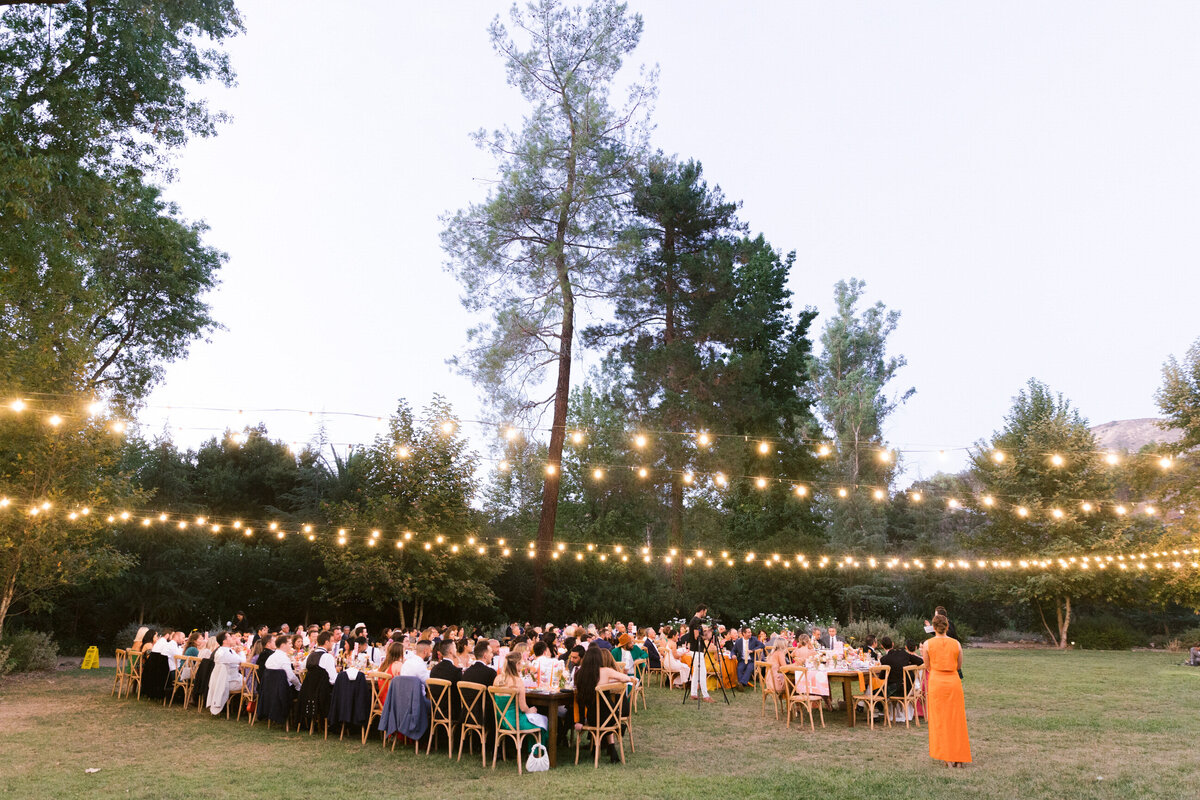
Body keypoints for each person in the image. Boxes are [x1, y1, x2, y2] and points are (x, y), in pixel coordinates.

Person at [923, 614, 971, 767]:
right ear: (947, 627)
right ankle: (959, 757)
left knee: (940, 720)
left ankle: (947, 757)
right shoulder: (956, 644)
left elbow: (927, 665)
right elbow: (958, 666)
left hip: (937, 681)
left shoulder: (927, 644)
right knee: (956, 720)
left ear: (933, 627)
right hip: (953, 682)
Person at [573, 646, 633, 763]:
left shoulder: (579, 674)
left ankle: (598, 747)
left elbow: (580, 700)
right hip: (611, 716)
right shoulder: (606, 671)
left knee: (599, 715)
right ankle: (611, 749)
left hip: (592, 718)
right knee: (606, 715)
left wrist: (580, 720)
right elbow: (626, 678)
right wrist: (610, 682)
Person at [493, 652, 548, 752]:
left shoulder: (497, 679)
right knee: (542, 722)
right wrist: (530, 710)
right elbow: (523, 708)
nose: (522, 665)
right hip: (515, 722)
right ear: (517, 664)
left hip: (501, 721)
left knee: (536, 720)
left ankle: (532, 752)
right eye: (521, 663)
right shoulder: (517, 681)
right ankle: (536, 754)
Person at [206, 632, 244, 715]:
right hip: (228, 683)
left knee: (247, 680)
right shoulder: (225, 653)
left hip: (223, 681)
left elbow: (233, 662)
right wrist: (241, 651)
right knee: (252, 684)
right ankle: (245, 709)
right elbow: (242, 661)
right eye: (230, 637)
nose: (232, 638)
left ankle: (240, 707)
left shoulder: (221, 651)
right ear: (225, 641)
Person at [880, 636, 922, 703]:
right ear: (893, 644)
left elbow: (882, 677)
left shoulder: (884, 659)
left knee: (876, 691)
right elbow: (920, 661)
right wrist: (908, 665)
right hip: (909, 687)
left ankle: (880, 711)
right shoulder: (903, 653)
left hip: (897, 690)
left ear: (882, 646)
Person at [685, 604, 712, 702]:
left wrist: (709, 630)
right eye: (705, 611)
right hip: (697, 649)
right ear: (702, 610)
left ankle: (693, 693)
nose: (706, 613)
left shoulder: (695, 620)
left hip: (696, 649)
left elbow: (698, 635)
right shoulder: (696, 620)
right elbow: (697, 637)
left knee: (696, 671)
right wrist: (706, 637)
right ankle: (705, 695)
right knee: (702, 671)